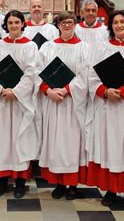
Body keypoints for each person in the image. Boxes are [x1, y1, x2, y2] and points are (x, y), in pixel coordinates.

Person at [86, 10, 124, 209]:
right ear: (110, 27)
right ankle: (111, 190)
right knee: (109, 147)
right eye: (115, 23)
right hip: (108, 107)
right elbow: (92, 74)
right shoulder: (102, 48)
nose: (119, 26)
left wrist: (123, 91)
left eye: (123, 22)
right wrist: (105, 91)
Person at [36, 11, 90, 200]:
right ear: (57, 25)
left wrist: (67, 89)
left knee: (73, 143)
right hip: (53, 102)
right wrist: (48, 90)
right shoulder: (47, 47)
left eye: (71, 22)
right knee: (55, 141)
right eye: (63, 22)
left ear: (75, 24)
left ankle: (73, 184)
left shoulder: (84, 48)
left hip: (73, 103)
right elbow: (37, 72)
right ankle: (58, 183)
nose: (67, 26)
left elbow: (86, 74)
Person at [0, 10, 38, 199]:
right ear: (5, 25)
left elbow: (31, 73)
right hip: (1, 101)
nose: (14, 25)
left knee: (19, 139)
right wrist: (1, 90)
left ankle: (20, 182)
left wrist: (16, 92)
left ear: (23, 24)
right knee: (1, 141)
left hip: (20, 102)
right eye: (10, 22)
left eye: (17, 22)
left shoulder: (31, 46)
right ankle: (1, 180)